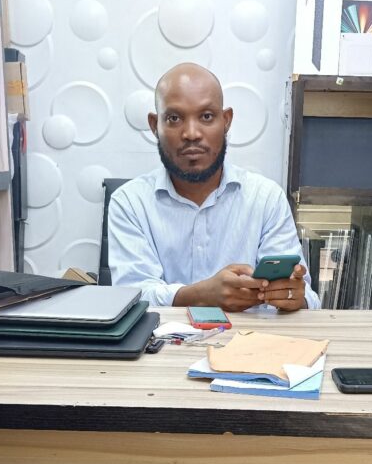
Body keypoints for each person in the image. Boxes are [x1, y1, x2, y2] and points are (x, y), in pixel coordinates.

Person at [108, 63, 320, 313]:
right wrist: (198, 296)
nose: (191, 133)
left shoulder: (266, 199)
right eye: (174, 118)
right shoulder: (129, 202)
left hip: (249, 347)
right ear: (155, 126)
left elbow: (309, 298)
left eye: (206, 116)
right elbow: (132, 294)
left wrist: (295, 297)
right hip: (162, 350)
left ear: (226, 120)